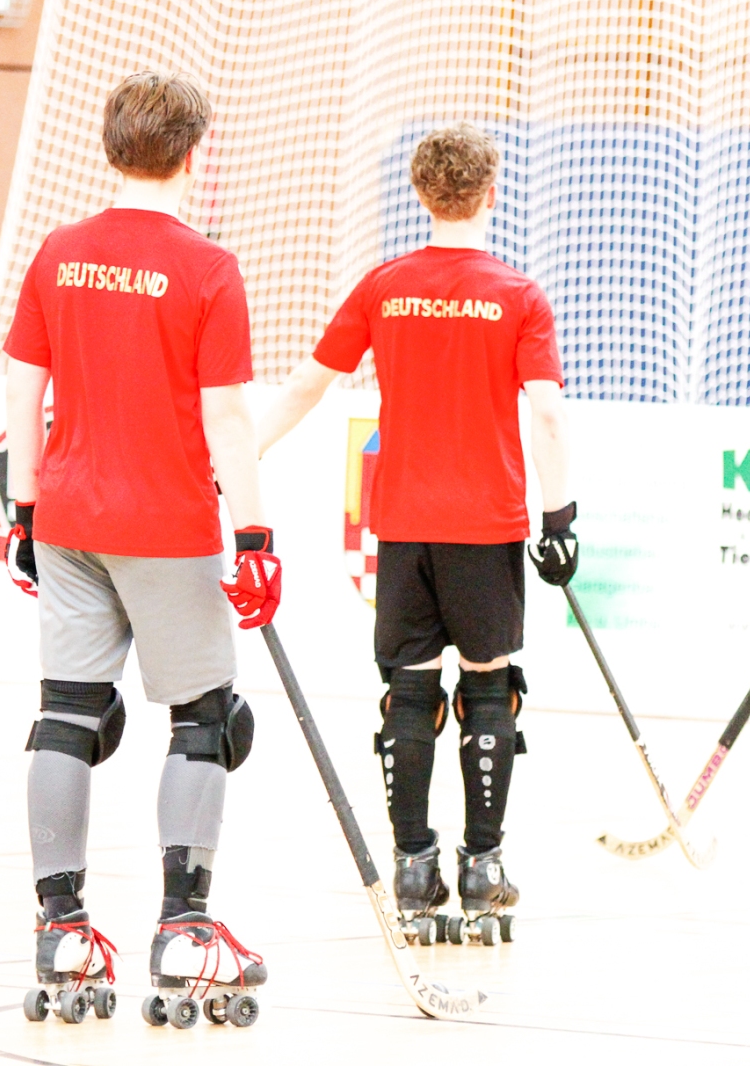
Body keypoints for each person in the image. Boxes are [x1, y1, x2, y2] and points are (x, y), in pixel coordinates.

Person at [256, 122, 575, 944]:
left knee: (409, 690)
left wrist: (241, 454)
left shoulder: (384, 287)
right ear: (492, 194)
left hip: (402, 523)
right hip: (485, 525)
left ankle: (412, 866)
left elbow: (307, 386)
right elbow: (546, 413)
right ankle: (483, 866)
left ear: (420, 194)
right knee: (489, 688)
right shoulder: (519, 295)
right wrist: (560, 518)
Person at [1, 71, 277, 1019]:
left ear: (110, 145)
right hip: (166, 526)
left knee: (66, 714)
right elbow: (227, 418)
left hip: (68, 520)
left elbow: (21, 387)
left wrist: (23, 511)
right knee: (206, 721)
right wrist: (255, 537)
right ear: (195, 154)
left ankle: (62, 928)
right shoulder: (208, 268)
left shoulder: (59, 253)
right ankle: (185, 931)